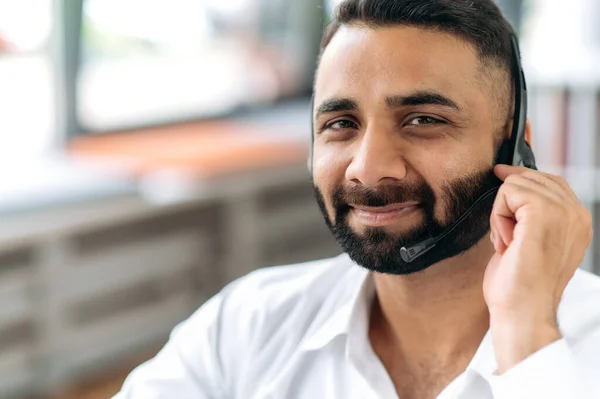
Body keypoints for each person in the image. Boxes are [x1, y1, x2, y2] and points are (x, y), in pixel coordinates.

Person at [113, 0, 600, 398]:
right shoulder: (246, 327)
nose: (366, 167)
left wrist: (528, 337)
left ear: (517, 148)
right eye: (341, 124)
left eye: (423, 119)